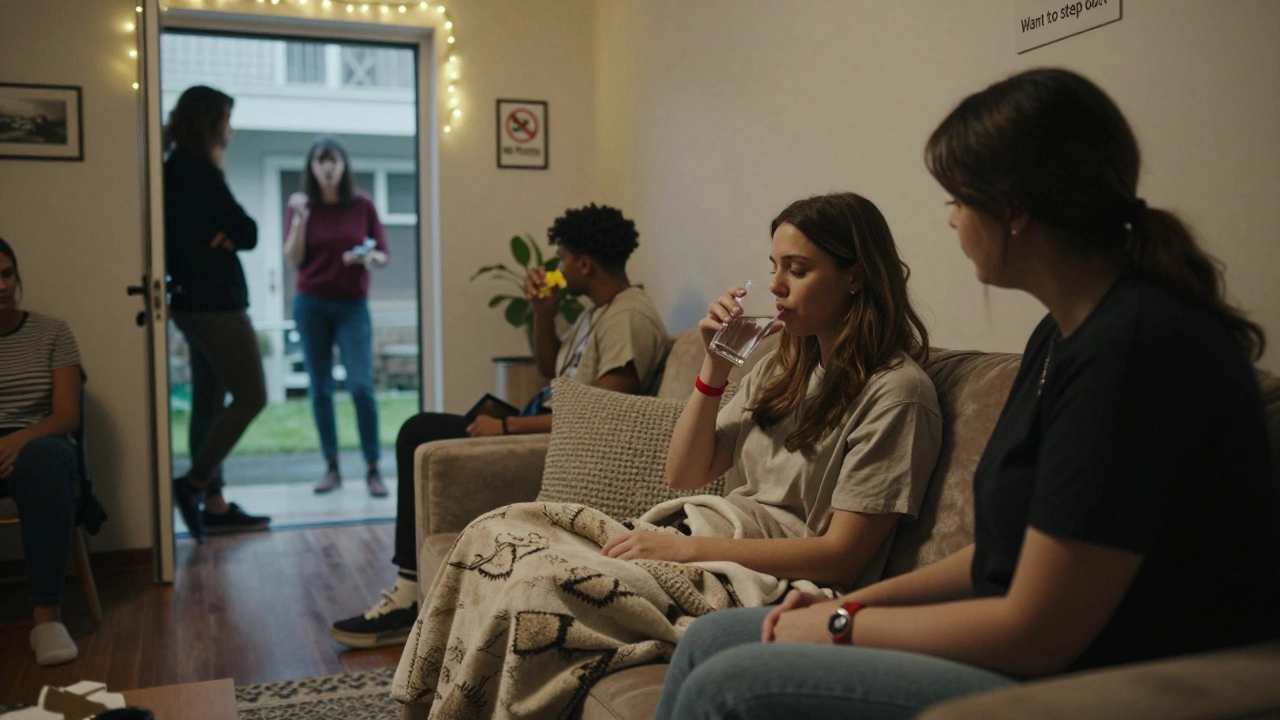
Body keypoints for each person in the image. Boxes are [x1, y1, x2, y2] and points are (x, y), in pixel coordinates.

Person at [655, 68, 1280, 720]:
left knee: (724, 686)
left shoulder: (1137, 351)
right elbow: (999, 558)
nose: (951, 222)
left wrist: (842, 628)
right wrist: (852, 607)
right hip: (1022, 643)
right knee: (709, 639)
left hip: (1095, 674)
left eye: (957, 199)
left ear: (1012, 211)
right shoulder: (1060, 337)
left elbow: (1037, 631)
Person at [387, 192, 943, 718]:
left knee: (539, 586)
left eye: (797, 270)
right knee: (493, 533)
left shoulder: (896, 393)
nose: (776, 285)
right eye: (773, 266)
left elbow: (844, 555)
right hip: (702, 533)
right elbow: (687, 472)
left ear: (856, 277)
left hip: (766, 576)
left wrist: (684, 552)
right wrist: (715, 368)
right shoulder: (783, 365)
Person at [328, 202, 669, 648]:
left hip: (567, 444)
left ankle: (409, 594)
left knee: (418, 430)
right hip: (541, 421)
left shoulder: (629, 317)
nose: (559, 267)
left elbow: (602, 413)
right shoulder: (596, 312)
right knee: (421, 428)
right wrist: (542, 313)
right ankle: (409, 586)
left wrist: (506, 427)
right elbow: (553, 370)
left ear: (584, 263)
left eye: (563, 258)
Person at [164, 85, 270, 542]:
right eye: (226, 118)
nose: (231, 129)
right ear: (209, 122)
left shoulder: (178, 168)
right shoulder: (197, 171)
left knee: (208, 401)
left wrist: (225, 233)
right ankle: (193, 485)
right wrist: (226, 234)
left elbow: (238, 232)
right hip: (215, 305)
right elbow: (246, 230)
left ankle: (214, 503)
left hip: (193, 301)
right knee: (251, 396)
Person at [284, 136, 389, 497]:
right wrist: (299, 221)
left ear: (343, 165)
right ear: (312, 168)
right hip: (311, 304)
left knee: (361, 386)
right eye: (320, 161)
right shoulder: (302, 207)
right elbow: (293, 260)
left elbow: (382, 254)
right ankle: (332, 467)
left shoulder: (363, 205)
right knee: (321, 388)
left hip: (352, 307)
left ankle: (373, 468)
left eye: (333, 160)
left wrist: (367, 258)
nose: (327, 167)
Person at [0, 238, 83, 666]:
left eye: (6, 274)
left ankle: (46, 617)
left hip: (42, 439)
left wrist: (21, 438)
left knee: (43, 463)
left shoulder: (52, 332)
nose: (1, 285)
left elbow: (67, 415)